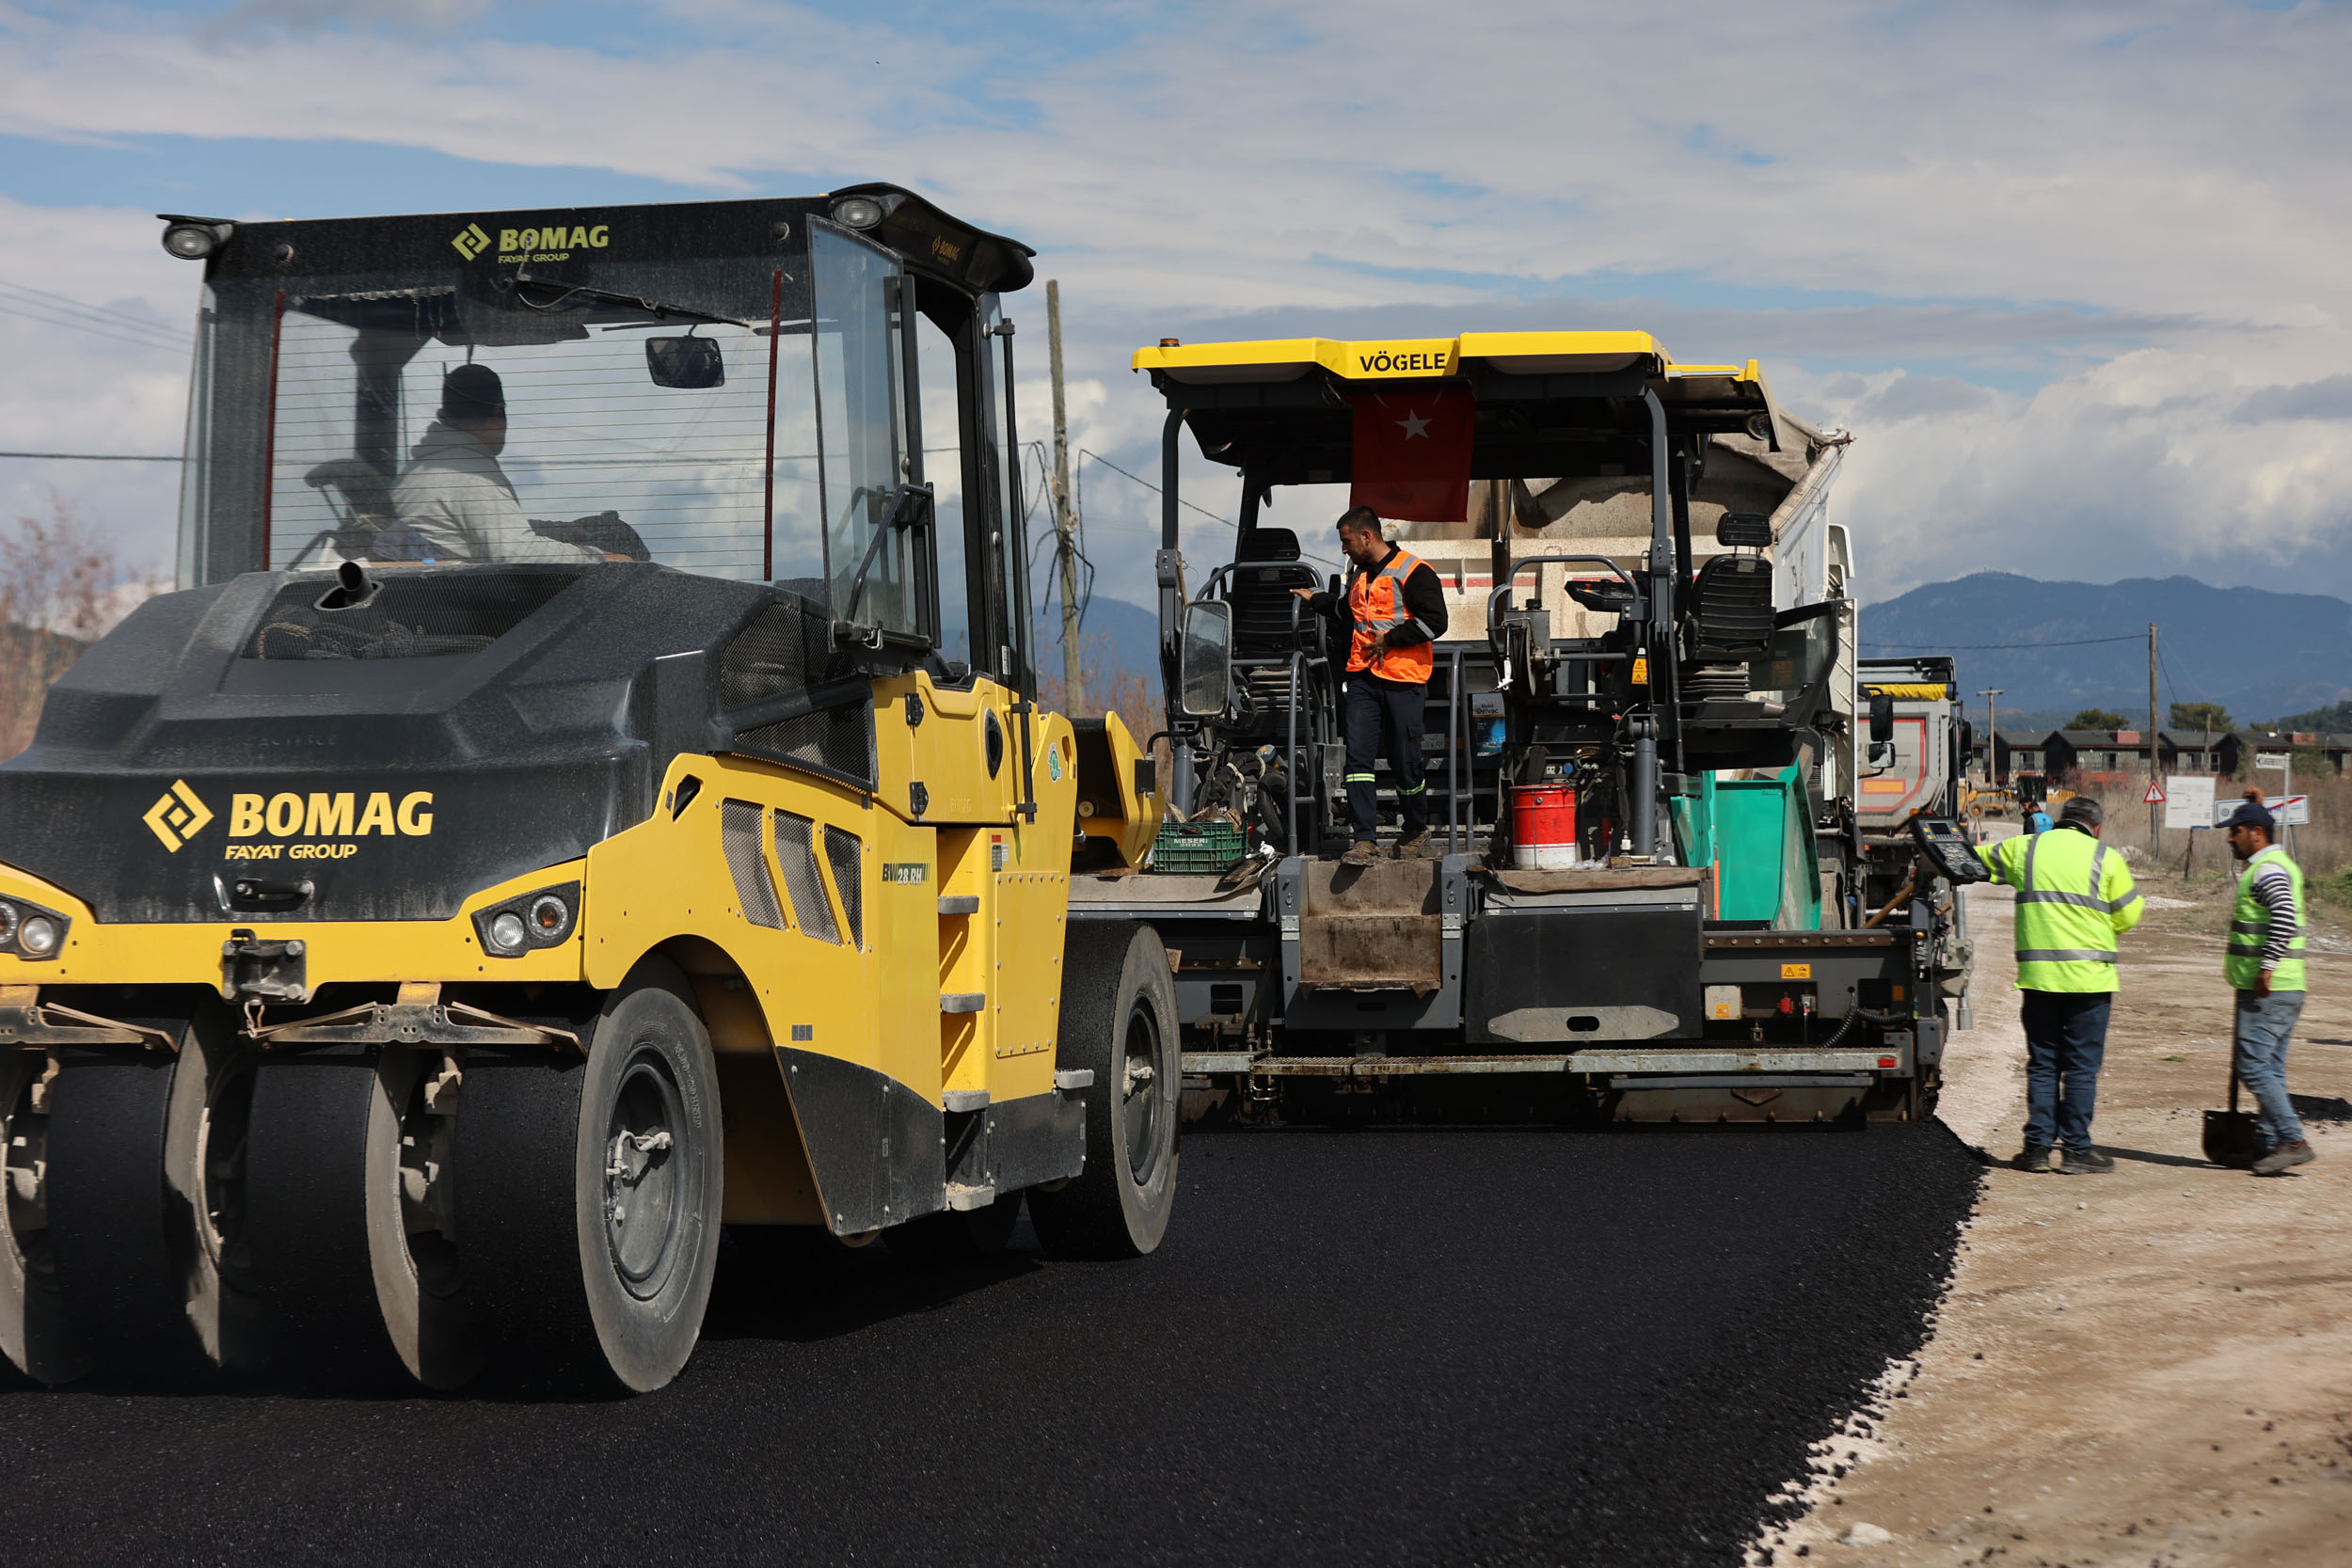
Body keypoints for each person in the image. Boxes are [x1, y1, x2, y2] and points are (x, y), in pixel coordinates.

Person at [1976, 795, 2144, 1173]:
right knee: (2081, 1068)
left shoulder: (2027, 849)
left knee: (2043, 1064)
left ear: (2059, 820)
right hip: (2090, 982)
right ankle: (2076, 1152)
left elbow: (1971, 859)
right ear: (2096, 828)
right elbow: (2129, 916)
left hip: (2040, 981)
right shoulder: (2106, 858)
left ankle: (2037, 1150)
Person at [1293, 506, 1448, 865]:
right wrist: (1316, 599)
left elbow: (1436, 622)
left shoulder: (1415, 572)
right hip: (1362, 677)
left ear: (1367, 536)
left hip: (1403, 680)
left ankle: (1415, 828)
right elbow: (1348, 613)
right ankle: (1364, 840)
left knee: (1405, 761)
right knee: (1358, 760)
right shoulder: (1360, 576)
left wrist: (1391, 639)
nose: (1343, 549)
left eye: (1346, 541)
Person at [389, 365, 614, 564]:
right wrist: (599, 559)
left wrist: (564, 532)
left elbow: (481, 530)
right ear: (498, 412)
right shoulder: (470, 474)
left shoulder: (417, 471)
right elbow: (517, 553)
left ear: (442, 416)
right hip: (466, 597)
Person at [2222, 797, 2315, 1175]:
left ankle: (2293, 1140)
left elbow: (2284, 916)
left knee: (2253, 1064)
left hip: (2269, 988)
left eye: (2236, 831)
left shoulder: (2268, 870)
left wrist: (2266, 968)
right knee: (2271, 1067)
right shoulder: (2274, 864)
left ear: (2257, 833)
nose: (2230, 838)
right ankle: (2267, 1144)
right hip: (2286, 986)